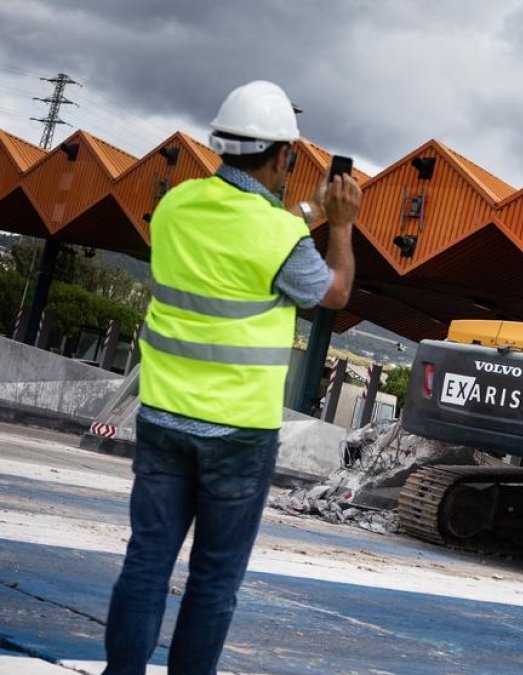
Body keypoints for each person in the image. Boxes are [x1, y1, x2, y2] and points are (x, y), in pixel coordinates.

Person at [103, 80, 360, 674]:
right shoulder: (281, 237)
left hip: (163, 419)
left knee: (146, 564)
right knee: (213, 583)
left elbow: (245, 228)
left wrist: (311, 212)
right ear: (283, 157)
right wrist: (339, 225)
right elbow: (335, 292)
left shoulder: (176, 207)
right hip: (238, 436)